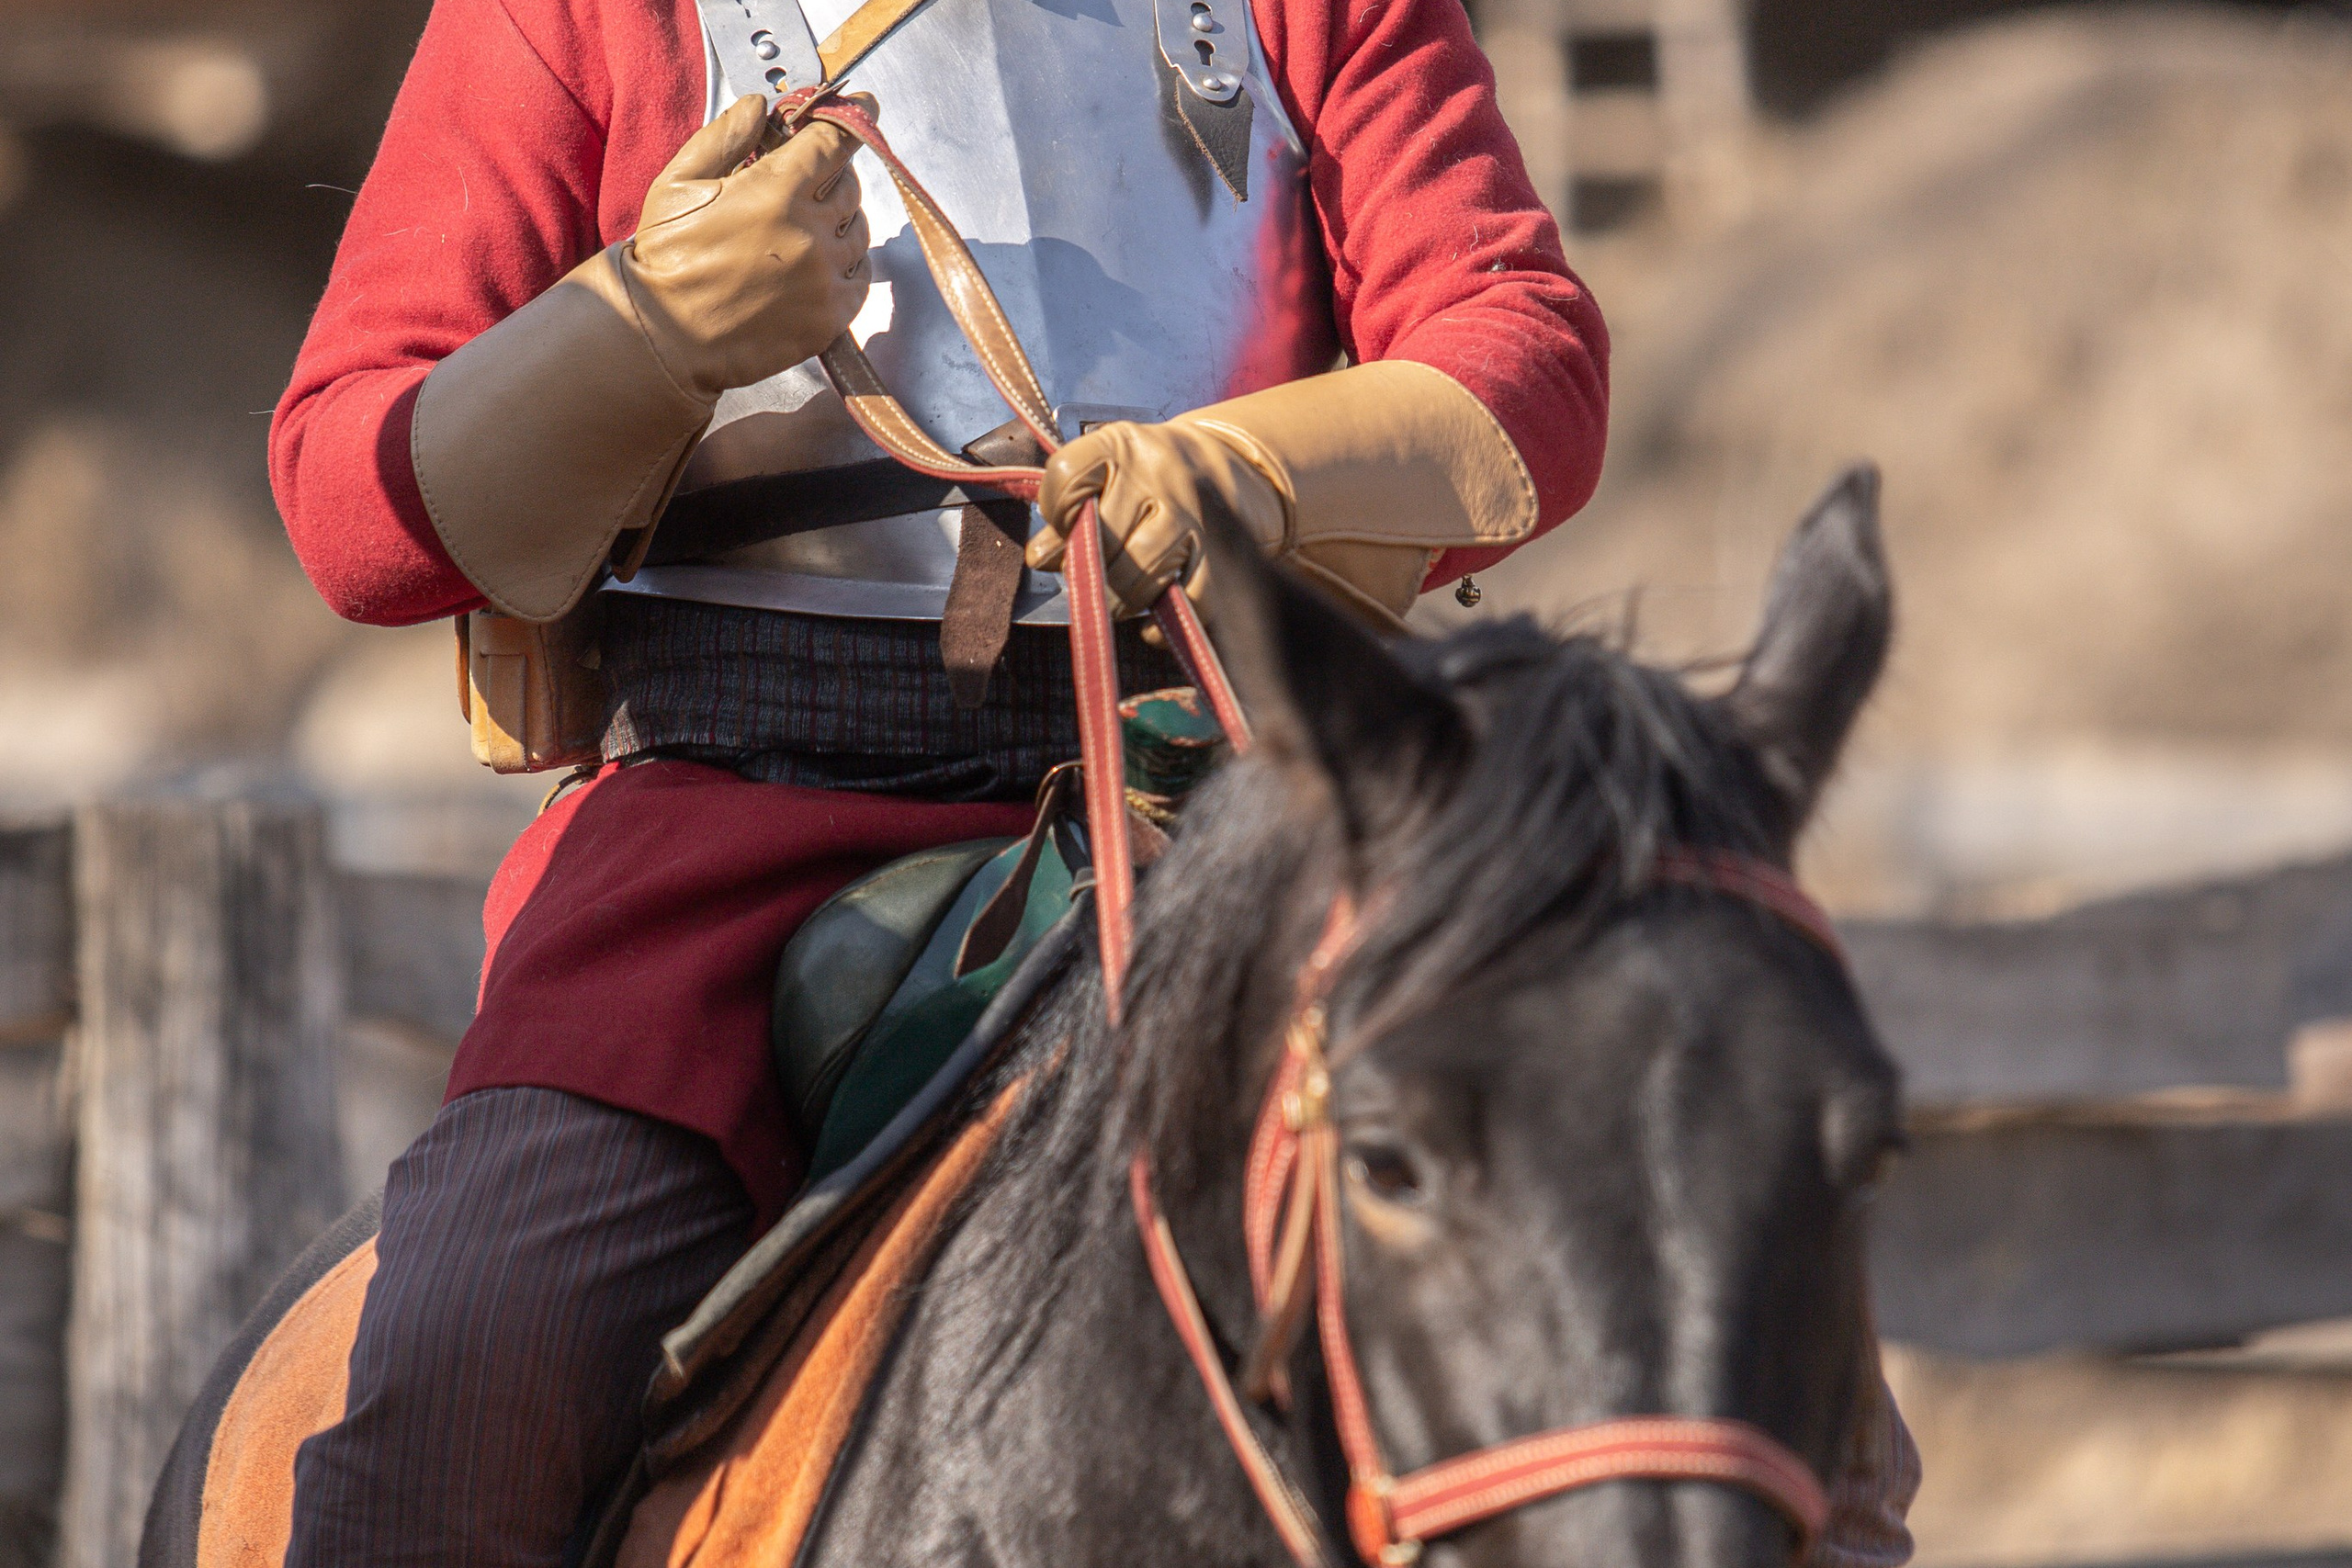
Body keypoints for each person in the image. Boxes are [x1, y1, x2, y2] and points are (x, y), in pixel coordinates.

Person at [266, 0, 1916, 1557]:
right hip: (728, 820)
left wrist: (1254, 470)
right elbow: (349, 500)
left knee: (1828, 1460)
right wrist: (644, 331)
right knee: (459, 1400)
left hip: (1228, 799)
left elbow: (1528, 352)